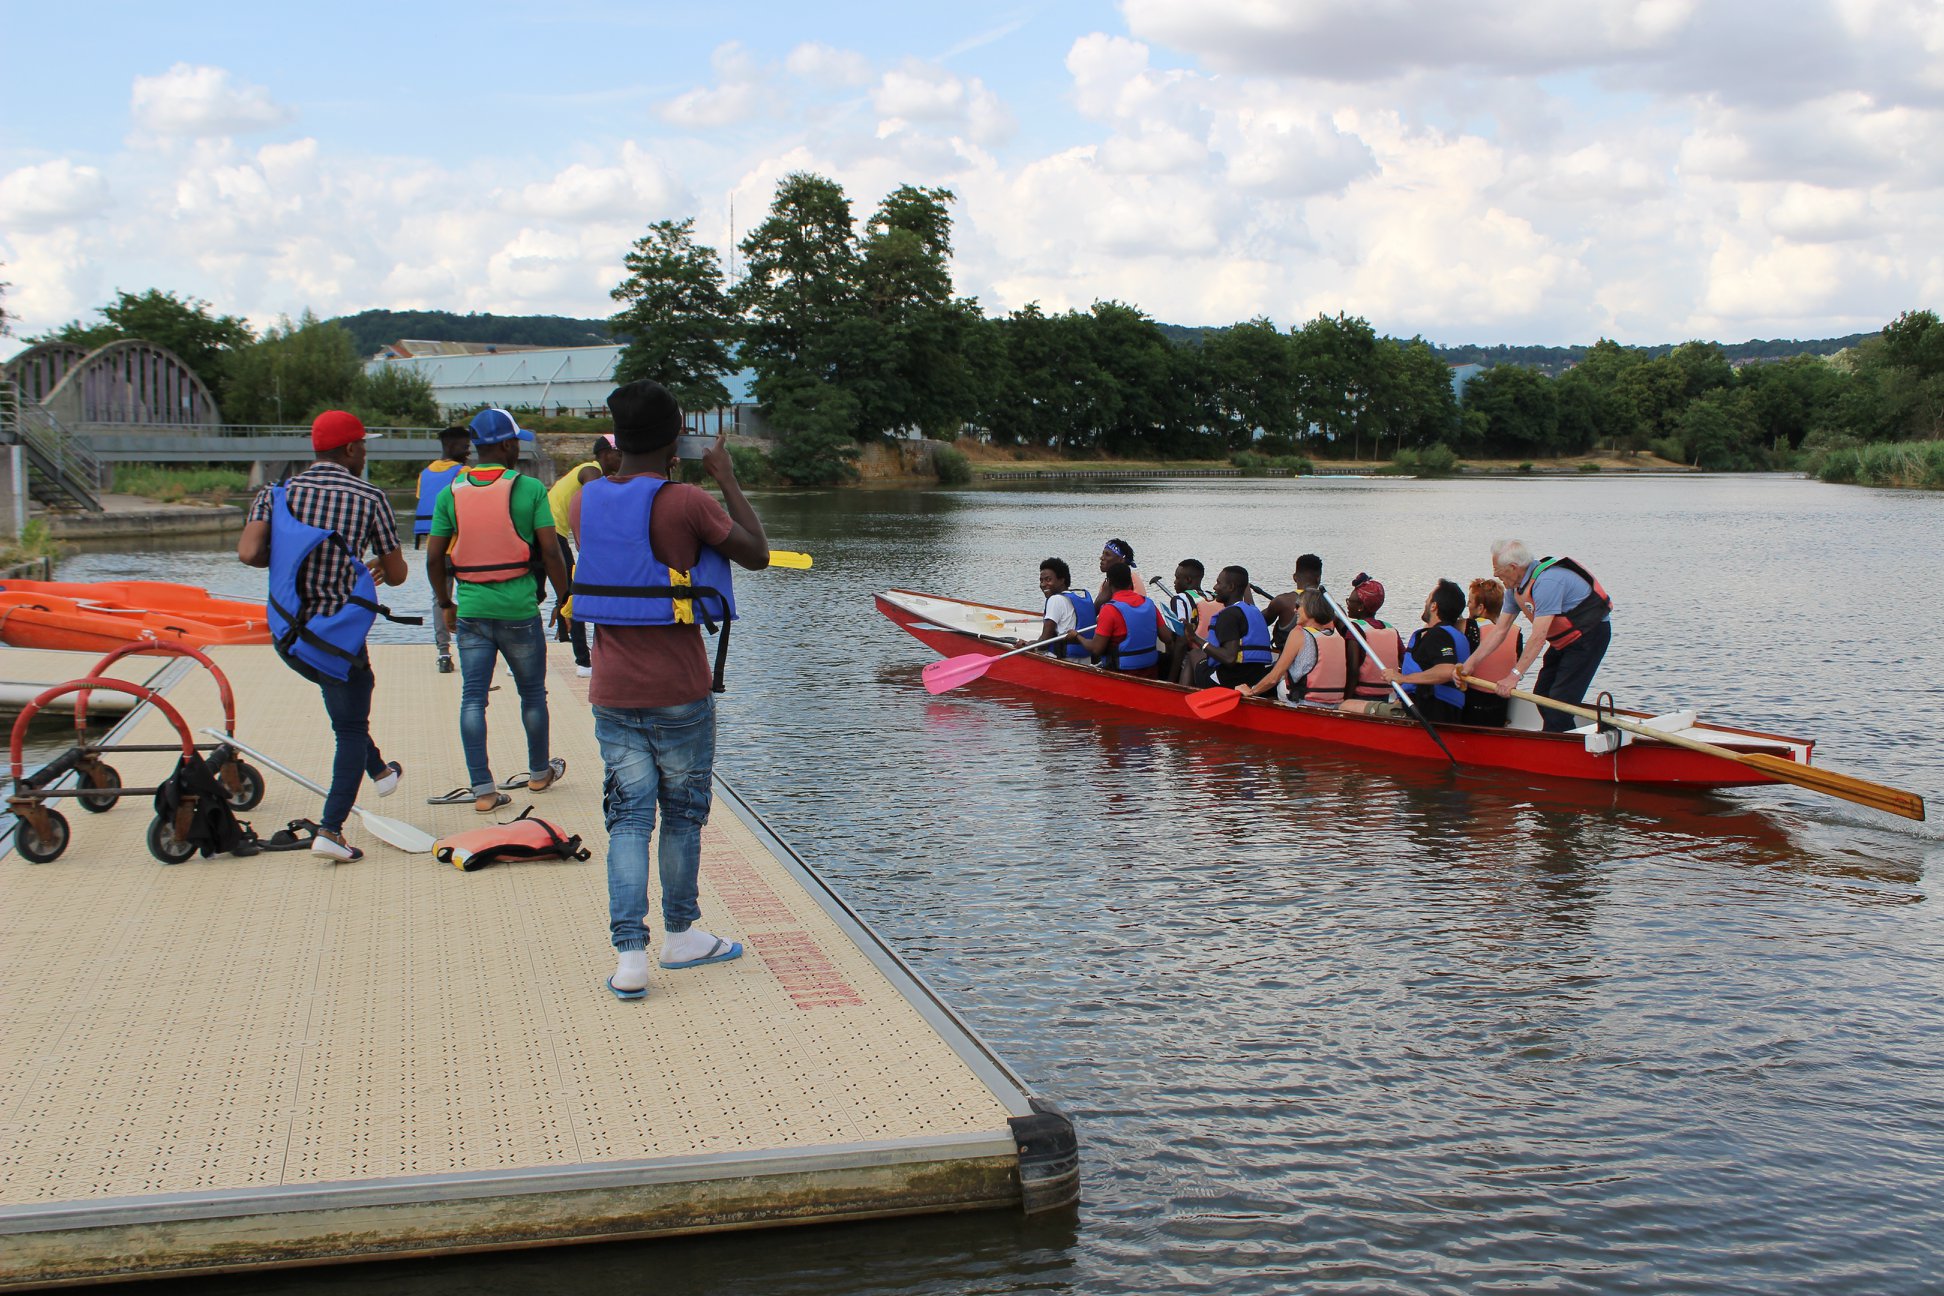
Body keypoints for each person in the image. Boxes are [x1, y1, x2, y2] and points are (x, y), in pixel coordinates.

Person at [569, 379, 770, 1001]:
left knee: (628, 818)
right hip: (681, 690)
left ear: (615, 435)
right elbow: (757, 553)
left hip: (611, 689)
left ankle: (630, 956)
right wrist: (726, 477)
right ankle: (681, 935)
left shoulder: (581, 503)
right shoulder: (688, 501)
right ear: (675, 436)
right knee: (681, 816)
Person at [238, 410, 410, 862]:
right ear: (351, 450)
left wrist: (292, 560)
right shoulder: (370, 496)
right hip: (338, 642)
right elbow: (396, 574)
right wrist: (366, 565)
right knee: (350, 726)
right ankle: (331, 831)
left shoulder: (275, 494)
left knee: (345, 713)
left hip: (288, 635)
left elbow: (249, 551)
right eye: (364, 446)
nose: (365, 453)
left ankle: (379, 770)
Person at [425, 408, 573, 814]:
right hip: (519, 611)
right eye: (516, 442)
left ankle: (484, 790)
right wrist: (565, 600)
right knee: (531, 693)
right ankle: (540, 773)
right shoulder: (529, 490)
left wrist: (445, 603)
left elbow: (435, 558)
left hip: (471, 609)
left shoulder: (449, 492)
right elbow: (551, 552)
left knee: (473, 700)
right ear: (507, 445)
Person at [1478, 539, 1613, 732]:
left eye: (1498, 572)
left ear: (1513, 567)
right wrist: (1469, 665)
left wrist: (1513, 676)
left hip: (1590, 636)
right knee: (1541, 696)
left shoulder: (1547, 582)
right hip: (1564, 642)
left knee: (1558, 705)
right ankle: (1570, 737)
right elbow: (1499, 631)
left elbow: (1539, 637)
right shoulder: (1514, 588)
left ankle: (1565, 749)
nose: (1495, 576)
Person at [545, 434, 623, 677]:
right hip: (553, 532)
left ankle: (518, 657)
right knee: (574, 595)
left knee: (542, 592)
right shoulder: (591, 470)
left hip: (540, 530)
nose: (621, 458)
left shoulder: (592, 471)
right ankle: (583, 662)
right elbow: (597, 497)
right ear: (604, 454)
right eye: (618, 453)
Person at [1358, 579, 1472, 724]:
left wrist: (1402, 678)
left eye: (1428, 598)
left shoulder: (1438, 635)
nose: (1425, 602)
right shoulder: (1455, 635)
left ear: (1434, 606)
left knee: (1347, 706)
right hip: (1441, 709)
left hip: (1428, 712)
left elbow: (1447, 670)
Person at [414, 427, 471, 672]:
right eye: (465, 447)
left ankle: (443, 653)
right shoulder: (464, 473)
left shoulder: (424, 474)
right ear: (452, 446)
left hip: (436, 550)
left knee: (440, 599)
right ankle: (472, 646)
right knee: (469, 596)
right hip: (462, 547)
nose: (468, 452)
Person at [1067, 560, 1172, 677]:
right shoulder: (1149, 604)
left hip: (1122, 675)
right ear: (1131, 583)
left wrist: (1077, 636)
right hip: (1151, 671)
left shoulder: (1109, 609)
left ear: (1108, 584)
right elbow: (1167, 637)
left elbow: (1096, 649)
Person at [1238, 590, 1345, 705]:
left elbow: (1275, 676)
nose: (1295, 610)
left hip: (1306, 701)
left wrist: (1251, 691)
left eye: (1298, 606)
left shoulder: (1299, 633)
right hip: (1335, 702)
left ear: (1310, 608)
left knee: (1281, 683)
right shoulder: (1336, 634)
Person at [1183, 565, 1275, 689]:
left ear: (1231, 587)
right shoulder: (1253, 610)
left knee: (1193, 654)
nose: (1214, 587)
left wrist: (1195, 638)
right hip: (1256, 678)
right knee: (1201, 654)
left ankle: (1179, 698)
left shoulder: (1228, 615)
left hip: (1230, 682)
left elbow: (1229, 658)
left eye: (1219, 583)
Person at [1460, 577, 1520, 727]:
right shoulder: (1516, 631)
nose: (1467, 605)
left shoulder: (1469, 627)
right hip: (1500, 707)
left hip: (1472, 706)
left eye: (1470, 601)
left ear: (1480, 608)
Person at [1341, 575, 1403, 701]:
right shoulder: (1391, 629)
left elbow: (1353, 671)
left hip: (1361, 697)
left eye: (1350, 601)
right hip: (1386, 696)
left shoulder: (1355, 630)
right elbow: (1405, 660)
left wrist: (1345, 700)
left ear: (1361, 607)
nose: (1347, 605)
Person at [1033, 558, 1095, 659]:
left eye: (1048, 579)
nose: (1043, 584)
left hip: (1065, 659)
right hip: (1085, 659)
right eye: (1041, 580)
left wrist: (1028, 645)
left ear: (1062, 580)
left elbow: (1044, 641)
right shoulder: (1078, 597)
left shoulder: (1055, 599)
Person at [1156, 558, 1208, 678]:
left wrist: (1172, 678)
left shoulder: (1179, 599)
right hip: (1210, 655)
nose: (1174, 582)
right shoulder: (1212, 596)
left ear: (1188, 580)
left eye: (1177, 578)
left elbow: (1181, 641)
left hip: (1188, 661)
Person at [1262, 553, 1324, 653]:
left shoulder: (1282, 601)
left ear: (1295, 577)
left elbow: (1257, 621)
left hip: (1288, 663)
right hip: (1320, 661)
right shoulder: (1332, 606)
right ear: (1319, 578)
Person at [1093, 539, 1142, 606]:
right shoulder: (1106, 582)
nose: (1101, 558)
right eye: (1103, 554)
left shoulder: (1132, 578)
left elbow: (1136, 607)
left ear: (1121, 560)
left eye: (1107, 555)